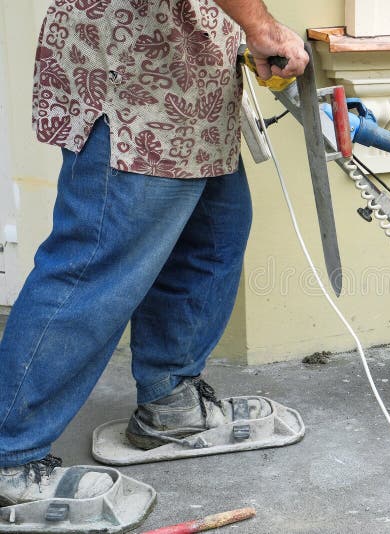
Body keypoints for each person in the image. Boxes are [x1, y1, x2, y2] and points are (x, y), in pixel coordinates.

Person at [0, 0, 308, 512]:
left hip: (192, 82)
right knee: (94, 268)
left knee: (212, 239)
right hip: (133, 79)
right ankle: (10, 456)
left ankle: (170, 402)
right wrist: (260, 26)